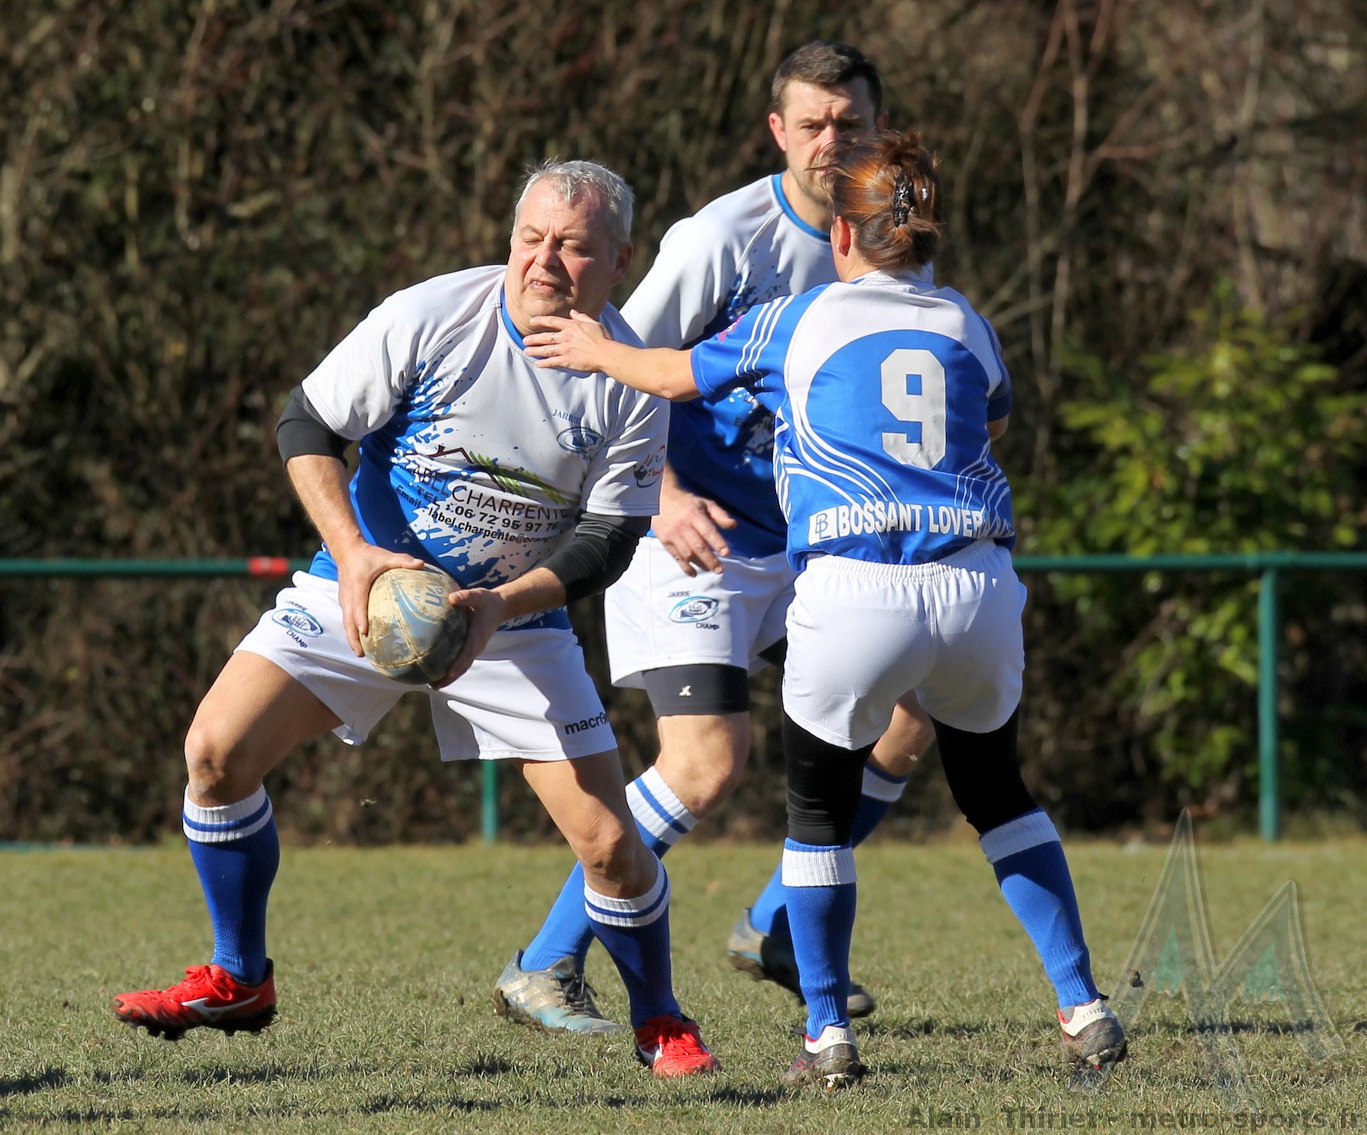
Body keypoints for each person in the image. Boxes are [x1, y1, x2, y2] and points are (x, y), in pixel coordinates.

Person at [521, 131, 1128, 1087]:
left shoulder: (800, 317)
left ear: (842, 235)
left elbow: (674, 377)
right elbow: (993, 418)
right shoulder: (968, 323)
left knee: (814, 817)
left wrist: (596, 346)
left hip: (857, 588)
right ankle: (1084, 1003)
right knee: (1000, 796)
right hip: (977, 584)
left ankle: (826, 1033)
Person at [111, 158, 720, 1079]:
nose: (544, 260)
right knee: (214, 753)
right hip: (367, 587)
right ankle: (238, 976)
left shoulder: (629, 374)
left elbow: (610, 540)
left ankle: (661, 1021)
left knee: (608, 843)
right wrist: (355, 555)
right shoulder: (433, 315)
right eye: (530, 238)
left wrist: (497, 607)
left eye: (572, 245)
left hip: (513, 620)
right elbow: (307, 424)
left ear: (620, 260)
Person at [492, 40, 930, 1036]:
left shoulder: (893, 235)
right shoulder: (722, 239)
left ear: (878, 128)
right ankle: (545, 963)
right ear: (778, 131)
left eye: (851, 123)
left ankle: (775, 926)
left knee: (912, 712)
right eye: (812, 123)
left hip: (812, 542)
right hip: (692, 533)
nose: (832, 141)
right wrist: (664, 492)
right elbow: (605, 359)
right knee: (705, 763)